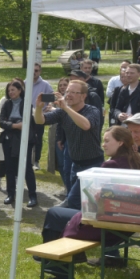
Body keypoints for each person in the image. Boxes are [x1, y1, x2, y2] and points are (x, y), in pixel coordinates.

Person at [40, 126, 140, 279]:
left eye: (107, 141)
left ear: (120, 142)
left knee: (54, 214)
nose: (103, 145)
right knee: (60, 215)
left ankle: (58, 270)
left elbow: (97, 201)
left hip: (108, 225)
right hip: (129, 223)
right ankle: (55, 260)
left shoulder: (111, 165)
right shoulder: (136, 161)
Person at [35, 80, 104, 209]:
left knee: (81, 201)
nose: (68, 95)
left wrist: (66, 108)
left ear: (83, 96)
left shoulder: (92, 110)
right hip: (75, 164)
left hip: (93, 165)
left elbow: (86, 125)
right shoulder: (62, 112)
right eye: (67, 92)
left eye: (73, 92)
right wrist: (39, 107)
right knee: (79, 203)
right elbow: (40, 121)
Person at [0, 80, 37, 207]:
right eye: (9, 90)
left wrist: (12, 123)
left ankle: (33, 196)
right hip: (9, 139)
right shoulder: (6, 104)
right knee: (9, 167)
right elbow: (1, 122)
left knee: (26, 168)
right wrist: (15, 125)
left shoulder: (26, 104)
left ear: (20, 90)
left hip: (24, 139)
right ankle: (11, 194)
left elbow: (27, 122)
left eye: (13, 90)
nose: (11, 92)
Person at [46, 77, 69, 192]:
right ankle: (66, 185)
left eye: (65, 85)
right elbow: (48, 111)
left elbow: (66, 113)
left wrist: (54, 110)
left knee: (67, 162)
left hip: (67, 133)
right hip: (55, 131)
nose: (62, 87)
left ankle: (69, 187)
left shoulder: (70, 99)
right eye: (61, 85)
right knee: (59, 161)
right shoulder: (54, 98)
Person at [30, 63, 54, 171]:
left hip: (39, 116)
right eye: (32, 70)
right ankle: (27, 160)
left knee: (37, 139)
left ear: (40, 72)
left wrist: (49, 106)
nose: (34, 73)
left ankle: (36, 161)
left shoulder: (45, 85)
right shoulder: (24, 84)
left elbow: (51, 98)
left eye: (36, 70)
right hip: (27, 117)